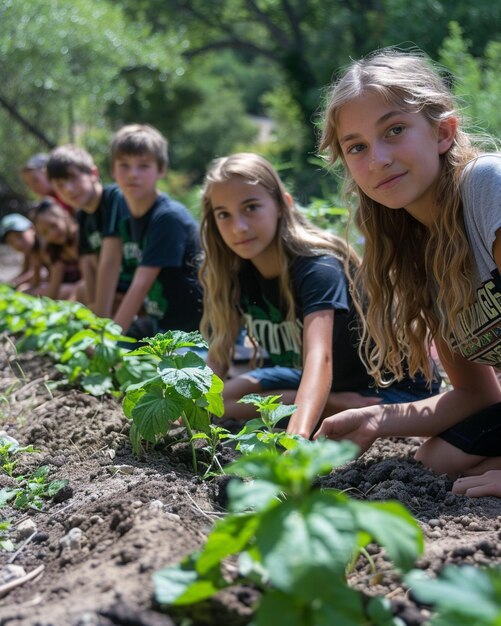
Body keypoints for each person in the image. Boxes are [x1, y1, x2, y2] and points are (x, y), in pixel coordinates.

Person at [315, 47, 501, 497]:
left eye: (394, 130)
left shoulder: (486, 186)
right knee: (435, 460)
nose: (376, 158)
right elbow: (479, 394)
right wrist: (377, 419)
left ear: (443, 131)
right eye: (356, 146)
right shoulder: (417, 252)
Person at [199, 152, 440, 439]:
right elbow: (219, 353)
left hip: (386, 389)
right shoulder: (236, 272)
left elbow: (319, 356)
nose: (238, 226)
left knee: (320, 419)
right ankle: (329, 405)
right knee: (224, 396)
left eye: (250, 207)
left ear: (281, 205)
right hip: (328, 386)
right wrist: (187, 408)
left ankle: (327, 407)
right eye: (223, 214)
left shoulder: (317, 267)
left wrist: (296, 437)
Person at [110, 124, 203, 339]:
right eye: (124, 165)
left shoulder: (167, 217)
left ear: (161, 169)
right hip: (159, 325)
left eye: (143, 166)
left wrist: (109, 341)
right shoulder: (127, 219)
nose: (133, 174)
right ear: (113, 170)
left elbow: (141, 284)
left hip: (191, 334)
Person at [46, 144, 133, 312]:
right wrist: (92, 306)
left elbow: (110, 262)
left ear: (93, 173)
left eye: (73, 178)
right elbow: (89, 263)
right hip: (117, 288)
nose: (68, 189)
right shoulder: (82, 216)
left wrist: (100, 317)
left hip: (136, 284)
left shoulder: (114, 198)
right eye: (60, 185)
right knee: (82, 291)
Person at [32, 200, 84, 301]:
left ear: (64, 216)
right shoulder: (56, 250)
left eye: (53, 225)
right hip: (75, 291)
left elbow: (88, 279)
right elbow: (54, 286)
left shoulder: (81, 238)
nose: (52, 234)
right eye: (45, 233)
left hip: (88, 288)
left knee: (66, 292)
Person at [0, 213, 48, 294]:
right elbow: (25, 272)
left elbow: (40, 273)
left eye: (20, 236)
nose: (17, 244)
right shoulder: (29, 251)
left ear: (32, 228)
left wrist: (13, 283)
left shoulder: (44, 247)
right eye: (11, 242)